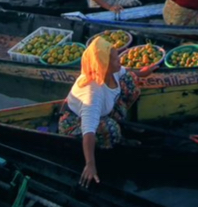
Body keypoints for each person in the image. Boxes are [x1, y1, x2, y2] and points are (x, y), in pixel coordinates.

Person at [59, 38, 145, 188]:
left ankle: (118, 123)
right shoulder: (92, 93)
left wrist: (144, 72)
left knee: (131, 80)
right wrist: (90, 164)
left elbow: (128, 72)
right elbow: (88, 130)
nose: (119, 60)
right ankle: (110, 147)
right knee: (111, 130)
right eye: (115, 58)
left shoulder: (113, 72)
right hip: (74, 122)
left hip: (102, 111)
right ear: (104, 65)